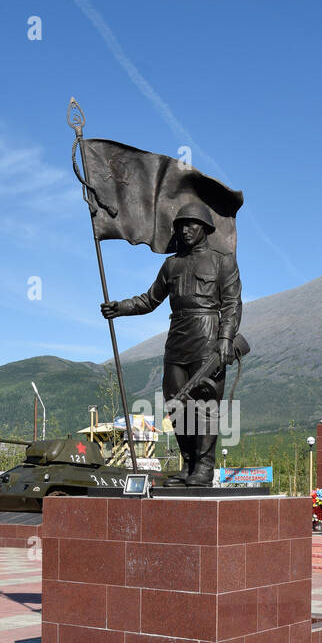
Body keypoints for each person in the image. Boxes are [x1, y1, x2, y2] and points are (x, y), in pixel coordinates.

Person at [101, 202, 241, 486]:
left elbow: (232, 303)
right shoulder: (171, 264)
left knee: (205, 405)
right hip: (177, 336)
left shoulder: (222, 260)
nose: (185, 230)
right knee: (177, 405)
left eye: (191, 224)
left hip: (208, 335)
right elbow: (149, 300)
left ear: (205, 228)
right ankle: (188, 464)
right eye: (181, 225)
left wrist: (225, 338)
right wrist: (120, 307)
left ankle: (204, 467)